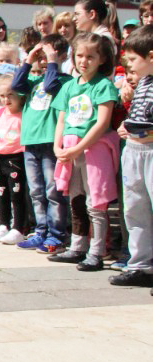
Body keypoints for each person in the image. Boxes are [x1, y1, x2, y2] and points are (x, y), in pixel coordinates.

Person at [48, 32, 120, 271]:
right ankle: (77, 246)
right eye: (79, 55)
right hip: (70, 150)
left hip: (93, 150)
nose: (84, 61)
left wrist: (79, 147)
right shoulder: (69, 86)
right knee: (76, 198)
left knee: (95, 202)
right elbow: (61, 120)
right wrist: (58, 146)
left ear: (102, 59)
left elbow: (102, 122)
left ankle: (97, 251)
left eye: (90, 56)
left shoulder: (103, 86)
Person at [12, 35, 72, 253]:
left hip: (49, 142)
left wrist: (53, 61)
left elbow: (51, 86)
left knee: (53, 191)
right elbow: (16, 85)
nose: (44, 59)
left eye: (48, 55)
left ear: (62, 56)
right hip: (31, 142)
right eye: (42, 55)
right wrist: (29, 60)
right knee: (36, 191)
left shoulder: (65, 82)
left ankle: (57, 235)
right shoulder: (33, 82)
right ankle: (41, 231)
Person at [111, 25, 153, 287]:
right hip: (134, 151)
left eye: (134, 59)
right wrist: (126, 126)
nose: (129, 65)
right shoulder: (142, 83)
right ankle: (141, 265)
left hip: (150, 150)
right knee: (135, 210)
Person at [0, 79, 28, 245]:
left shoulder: (24, 113)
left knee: (16, 194)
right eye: (2, 95)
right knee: (2, 193)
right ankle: (4, 224)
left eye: (10, 95)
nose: (6, 99)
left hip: (16, 157)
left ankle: (19, 227)